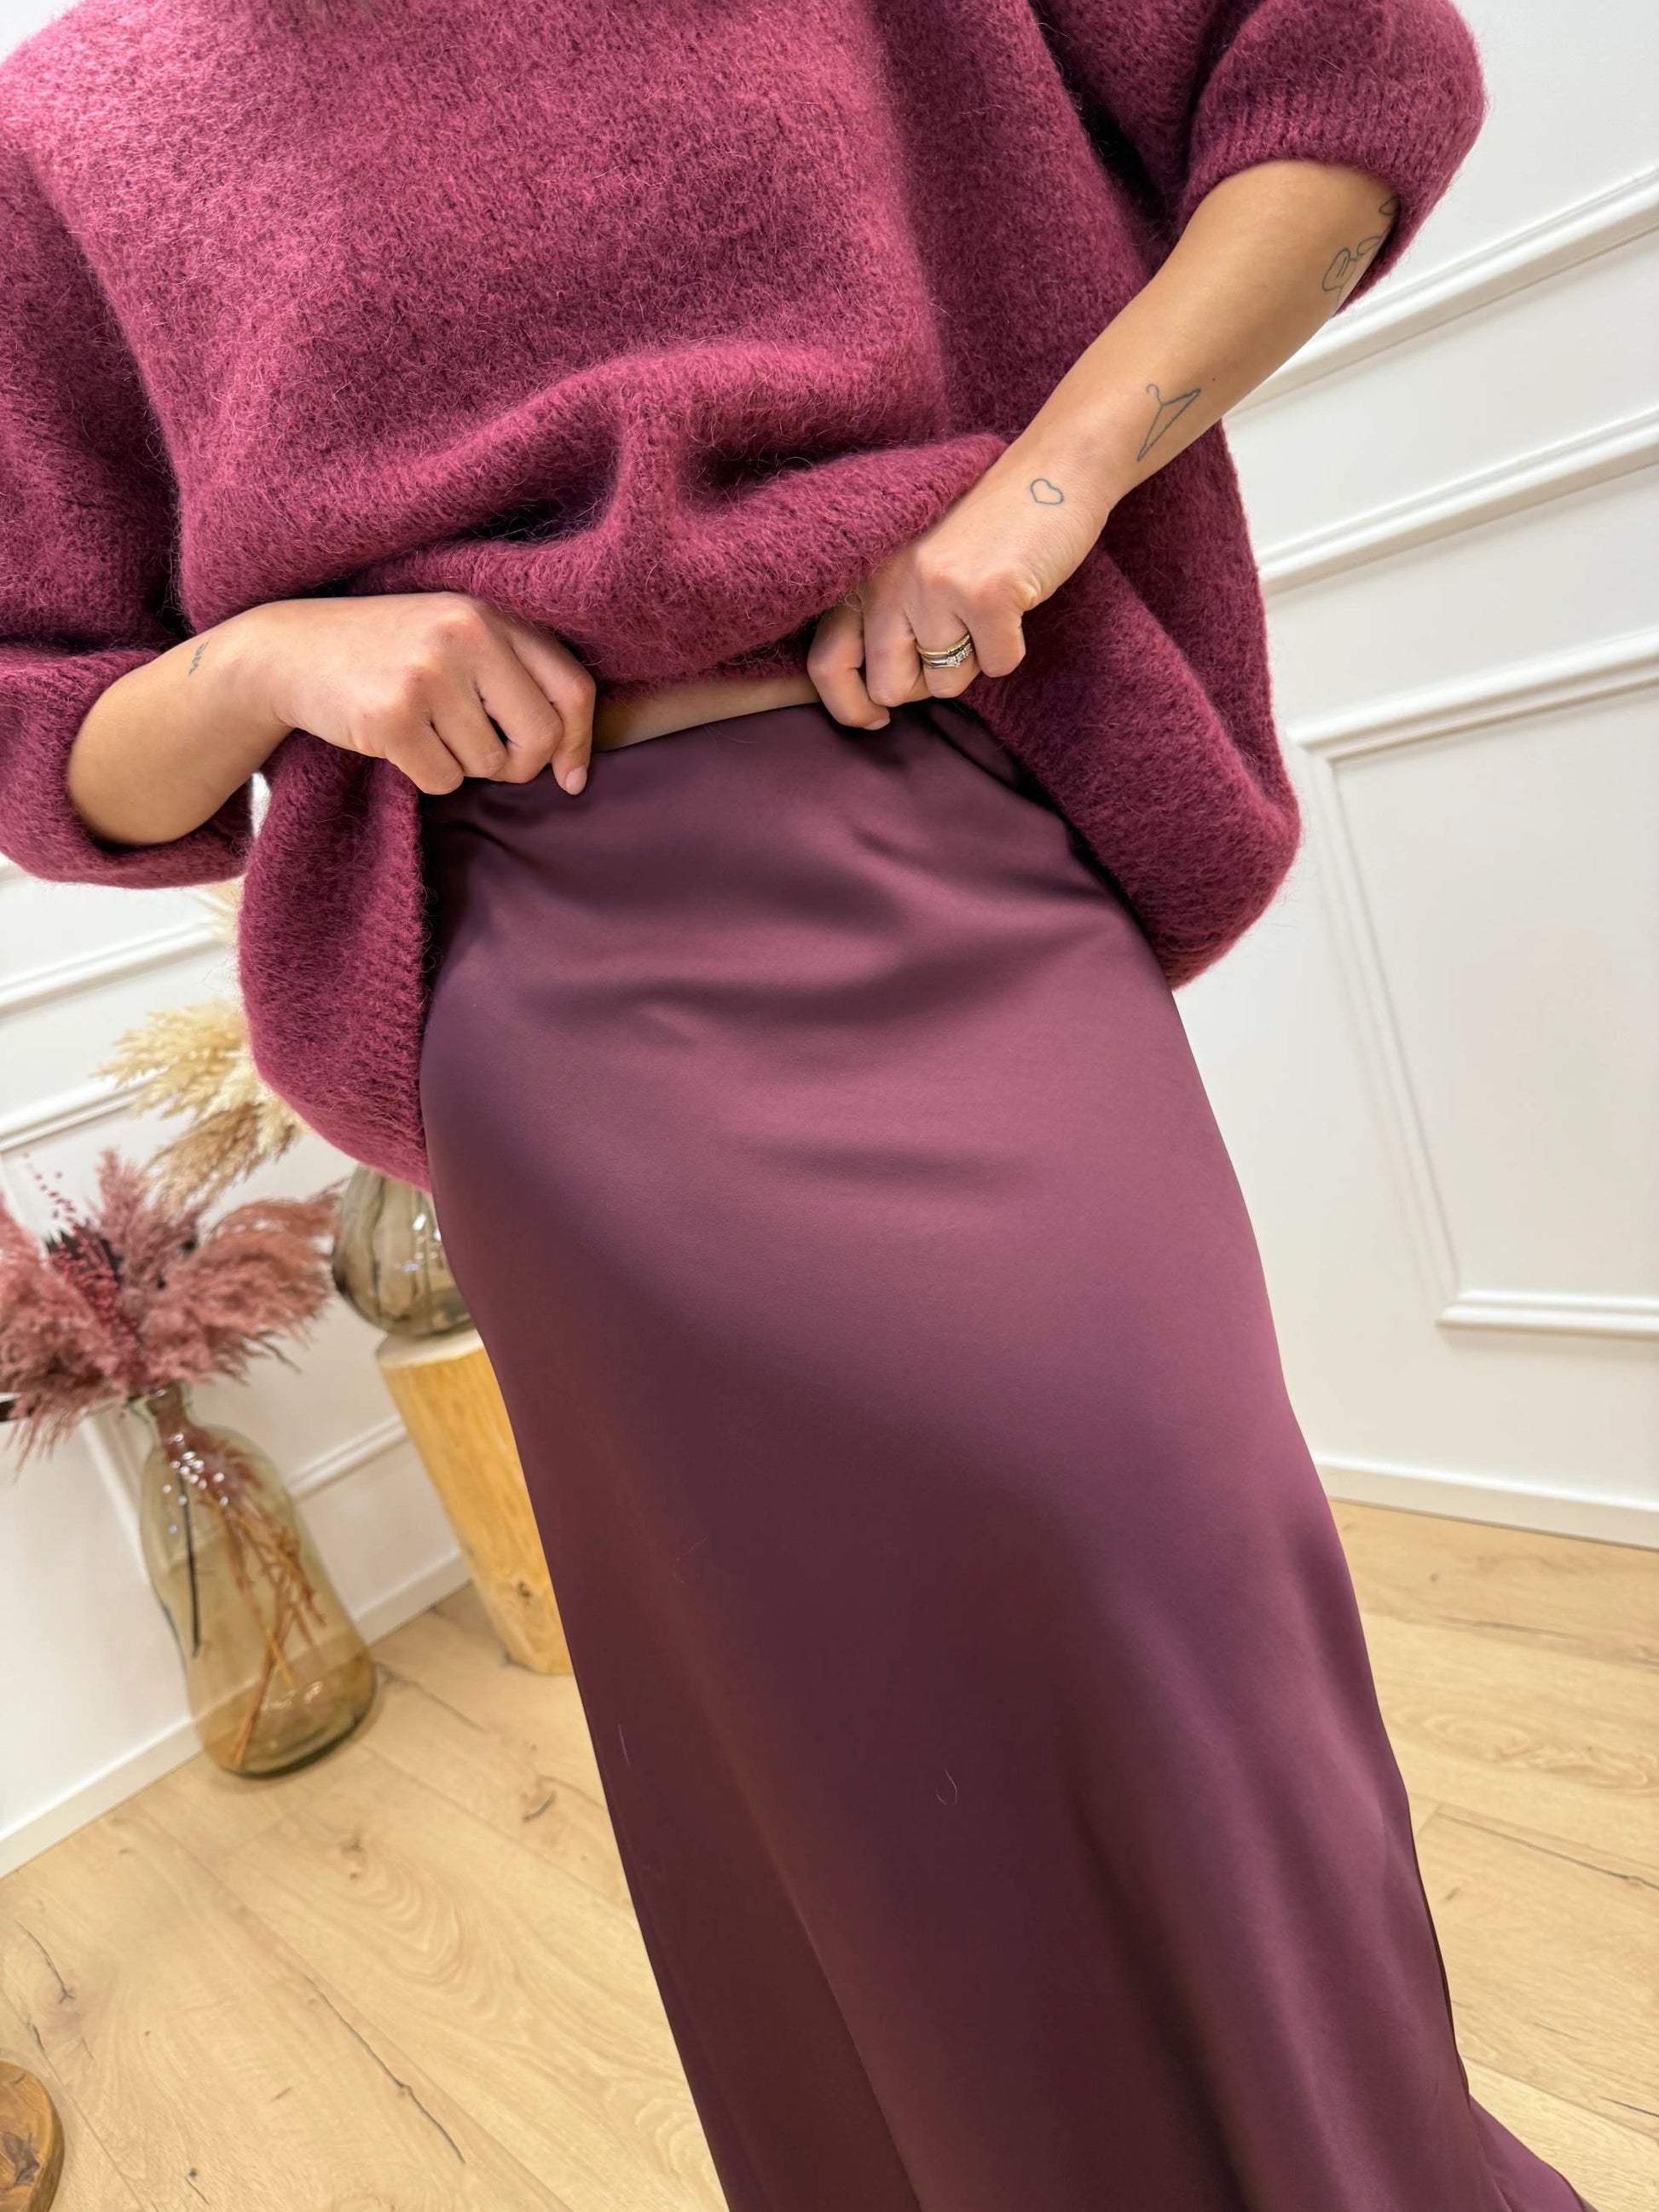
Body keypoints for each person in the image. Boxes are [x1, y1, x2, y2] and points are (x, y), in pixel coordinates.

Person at [0, 2, 1598, 2207]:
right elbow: (51, 730)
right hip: (552, 998)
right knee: (834, 1776)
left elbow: (1347, 85)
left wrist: (1041, 496)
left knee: (1195, 1625)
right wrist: (277, 657)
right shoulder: (82, 112)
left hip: (957, 852)